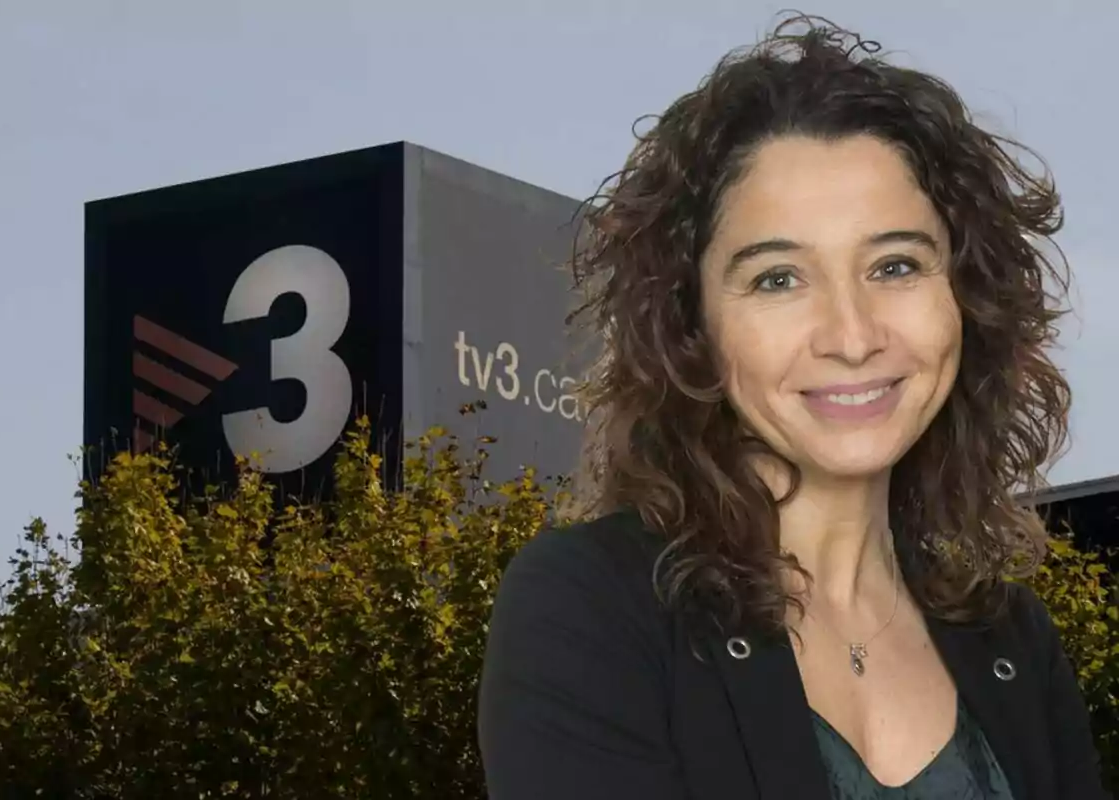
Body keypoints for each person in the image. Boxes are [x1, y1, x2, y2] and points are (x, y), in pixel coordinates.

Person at [476, 14, 1111, 800]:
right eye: (778, 278)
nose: (852, 336)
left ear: (966, 301)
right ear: (692, 327)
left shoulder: (1013, 640)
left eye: (896, 264)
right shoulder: (591, 608)